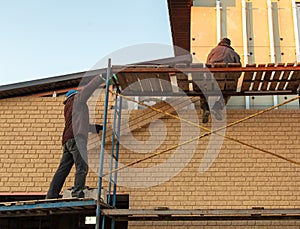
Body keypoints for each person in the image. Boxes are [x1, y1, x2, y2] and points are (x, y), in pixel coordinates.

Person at [46, 75, 104, 199]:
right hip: (77, 139)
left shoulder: (68, 107)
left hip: (68, 141)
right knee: (82, 166)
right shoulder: (77, 100)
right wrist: (100, 78)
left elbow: (79, 123)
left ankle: (51, 195)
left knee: (63, 170)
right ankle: (77, 192)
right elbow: (88, 90)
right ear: (75, 95)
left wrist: (96, 128)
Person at [201, 37, 241, 123]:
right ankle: (217, 107)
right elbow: (238, 70)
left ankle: (206, 108)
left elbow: (207, 63)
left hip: (211, 80)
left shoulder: (213, 51)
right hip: (226, 82)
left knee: (202, 91)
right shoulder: (234, 54)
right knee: (228, 92)